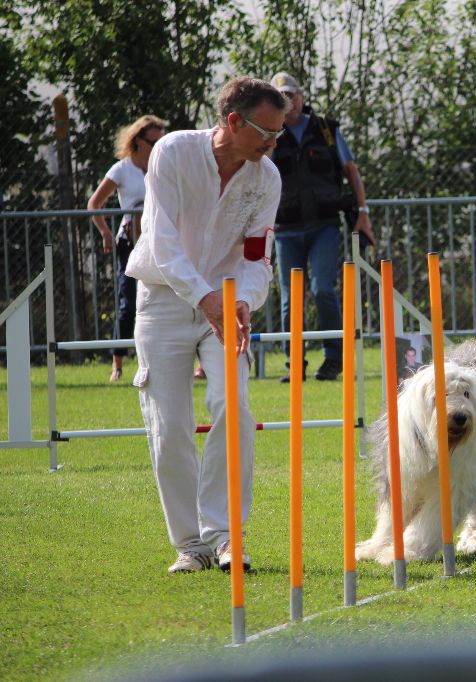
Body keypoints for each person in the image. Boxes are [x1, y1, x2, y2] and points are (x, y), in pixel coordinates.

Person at [126, 77, 287, 574]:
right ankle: (191, 545)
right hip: (163, 300)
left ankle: (226, 537)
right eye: (267, 132)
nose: (273, 143)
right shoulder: (172, 152)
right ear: (233, 121)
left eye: (280, 133)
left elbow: (259, 256)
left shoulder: (267, 178)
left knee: (233, 407)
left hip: (229, 306)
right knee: (169, 425)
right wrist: (205, 297)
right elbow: (161, 241)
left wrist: (243, 301)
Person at [269, 71, 376, 383]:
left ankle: (333, 358)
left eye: (293, 94)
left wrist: (363, 212)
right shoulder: (268, 133)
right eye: (282, 96)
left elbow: (352, 171)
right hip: (286, 228)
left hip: (324, 226)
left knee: (323, 290)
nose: (289, 101)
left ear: (302, 96)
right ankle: (295, 363)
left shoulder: (326, 129)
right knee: (291, 298)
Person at [87, 115, 167, 382]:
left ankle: (170, 362)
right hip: (130, 243)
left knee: (170, 300)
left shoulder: (165, 165)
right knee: (127, 303)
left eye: (161, 140)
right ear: (138, 141)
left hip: (163, 241)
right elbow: (94, 204)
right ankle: (117, 365)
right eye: (153, 141)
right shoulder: (121, 169)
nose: (158, 146)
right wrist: (106, 233)